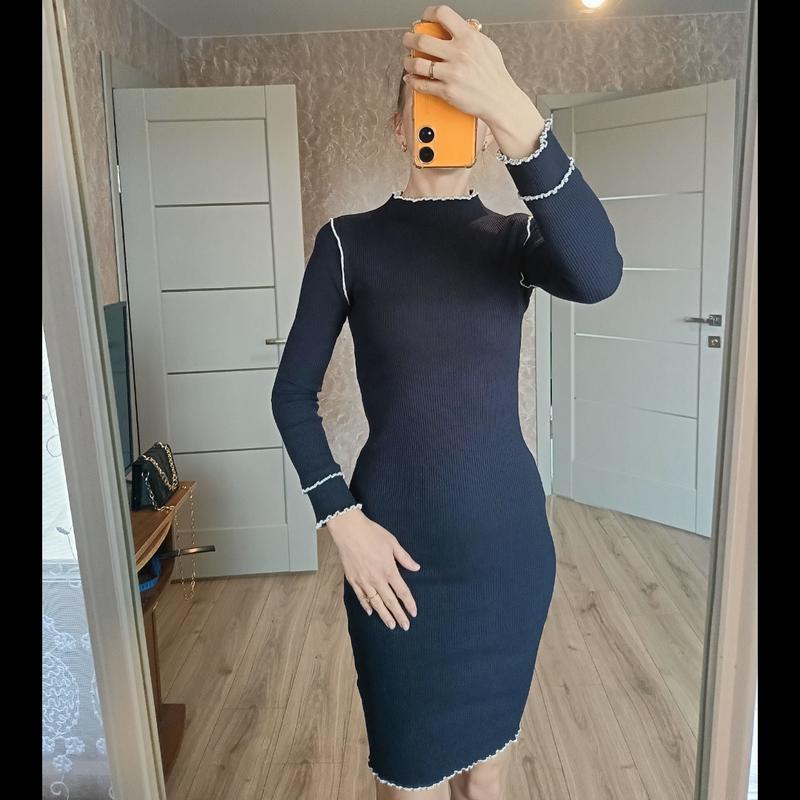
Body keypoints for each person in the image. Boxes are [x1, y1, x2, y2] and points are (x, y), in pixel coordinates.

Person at [271, 6, 623, 798]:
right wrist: (341, 521)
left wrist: (520, 120)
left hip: (507, 556)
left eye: (463, 103)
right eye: (426, 100)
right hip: (391, 560)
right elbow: (291, 394)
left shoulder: (513, 241)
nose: (444, 116)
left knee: (488, 776)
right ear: (399, 125)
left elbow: (600, 273)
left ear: (486, 127)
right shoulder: (346, 243)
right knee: (409, 779)